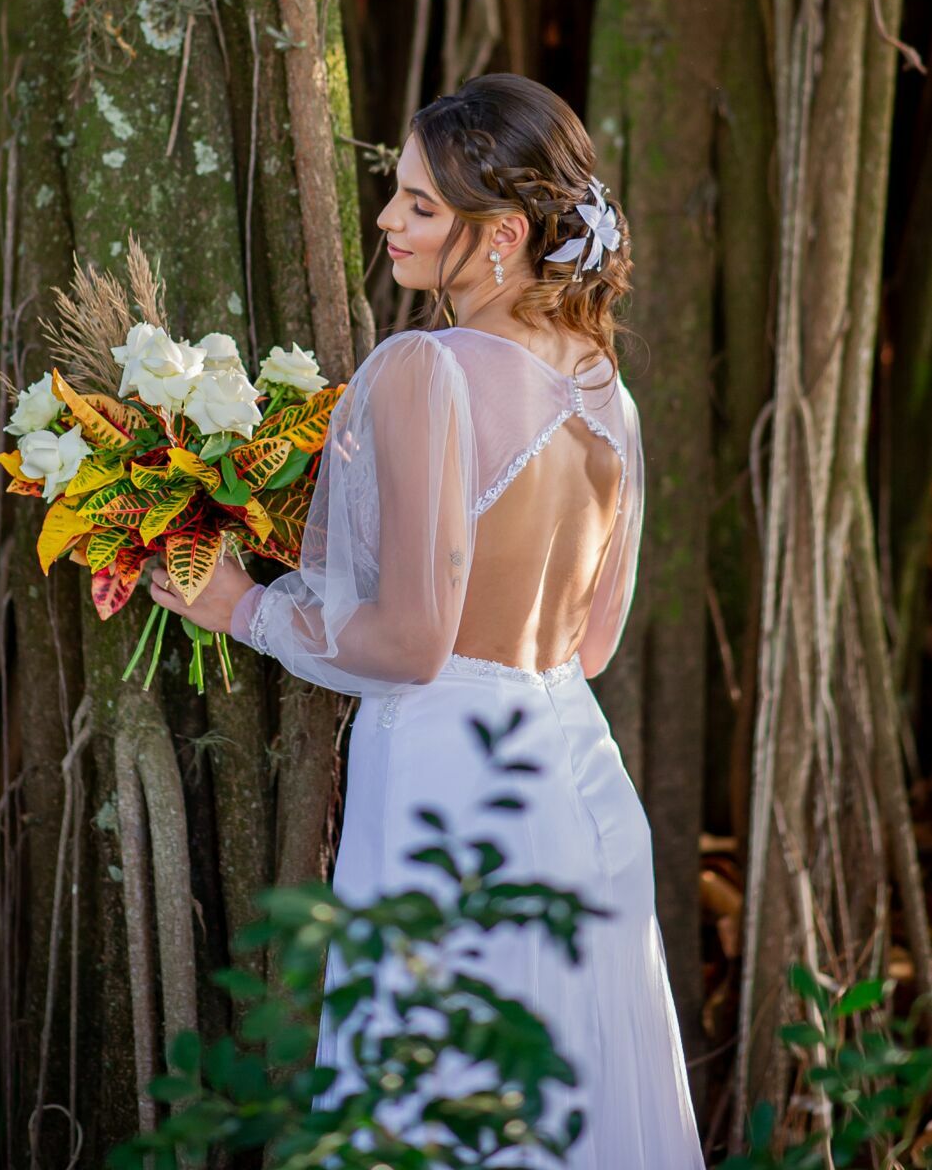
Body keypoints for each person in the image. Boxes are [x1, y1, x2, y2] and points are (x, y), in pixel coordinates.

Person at [148, 73, 705, 1167]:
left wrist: (243, 603)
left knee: (429, 1096)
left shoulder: (423, 371)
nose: (388, 221)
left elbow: (411, 641)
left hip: (450, 784)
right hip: (576, 778)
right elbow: (592, 644)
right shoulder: (611, 399)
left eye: (418, 206)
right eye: (395, 194)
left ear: (500, 237)